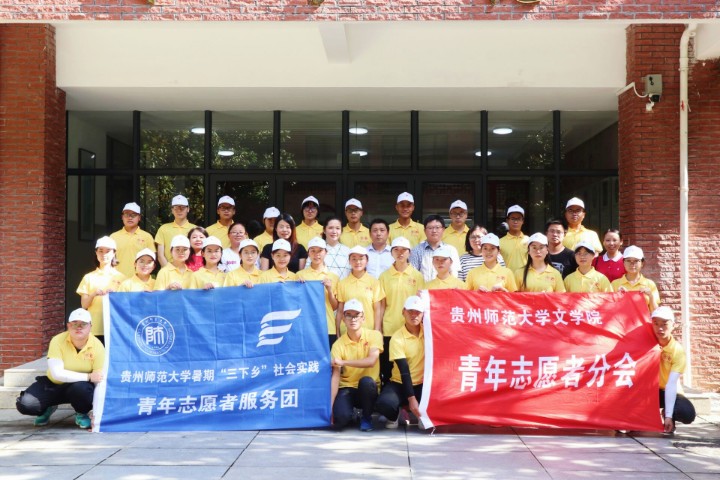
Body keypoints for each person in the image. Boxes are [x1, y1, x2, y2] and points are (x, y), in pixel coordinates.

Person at [16, 308, 104, 430]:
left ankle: (81, 412)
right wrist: (88, 376)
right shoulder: (57, 340)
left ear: (90, 326)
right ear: (68, 326)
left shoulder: (98, 346)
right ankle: (47, 408)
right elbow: (57, 374)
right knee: (26, 404)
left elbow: (98, 379)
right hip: (54, 384)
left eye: (83, 324)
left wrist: (97, 416)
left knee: (82, 389)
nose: (78, 327)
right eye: (74, 324)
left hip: (79, 387)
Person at [330, 299, 383, 432]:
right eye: (348, 315)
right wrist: (330, 406)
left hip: (367, 388)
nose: (353, 319)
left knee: (366, 382)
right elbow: (335, 377)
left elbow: (371, 361)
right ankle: (352, 415)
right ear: (343, 319)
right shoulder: (338, 344)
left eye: (356, 315)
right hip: (347, 387)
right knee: (340, 419)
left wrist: (344, 362)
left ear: (363, 318)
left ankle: (366, 417)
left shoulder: (374, 335)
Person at [379, 237, 424, 384]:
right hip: (390, 327)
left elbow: (421, 304)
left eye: (404, 250)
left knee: (410, 366)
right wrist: (379, 329)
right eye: (396, 250)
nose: (400, 253)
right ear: (391, 252)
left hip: (410, 328)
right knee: (387, 368)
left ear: (409, 252)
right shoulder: (384, 276)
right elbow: (381, 305)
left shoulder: (417, 276)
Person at [375, 296, 425, 429]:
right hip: (400, 382)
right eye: (410, 311)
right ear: (403, 312)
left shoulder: (429, 333)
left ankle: (423, 415)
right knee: (384, 404)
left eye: (418, 312)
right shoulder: (397, 338)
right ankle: (395, 414)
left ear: (423, 314)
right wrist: (411, 399)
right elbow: (404, 370)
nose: (414, 315)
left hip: (423, 384)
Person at [651, 306, 696, 433]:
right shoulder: (646, 343)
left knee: (687, 413)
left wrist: (669, 416)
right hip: (648, 392)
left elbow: (671, 385)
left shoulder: (677, 351)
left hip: (668, 390)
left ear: (673, 326)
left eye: (664, 324)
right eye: (656, 323)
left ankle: (667, 414)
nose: (660, 328)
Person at [76, 236, 126, 342]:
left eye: (108, 251)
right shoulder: (88, 277)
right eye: (101, 251)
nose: (104, 254)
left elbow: (125, 305)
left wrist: (115, 295)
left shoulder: (122, 278)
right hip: (94, 328)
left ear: (114, 253)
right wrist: (94, 294)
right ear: (96, 252)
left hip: (115, 327)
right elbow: (84, 305)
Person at [297, 237, 340, 350]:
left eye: (320, 251)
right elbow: (295, 303)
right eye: (313, 251)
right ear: (308, 253)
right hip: (306, 327)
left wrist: (329, 290)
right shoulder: (300, 275)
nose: (316, 254)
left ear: (326, 252)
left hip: (327, 326)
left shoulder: (333, 277)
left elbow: (335, 306)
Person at [336, 246, 385, 335]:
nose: (357, 262)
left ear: (367, 261)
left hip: (368, 331)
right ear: (349, 261)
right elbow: (340, 310)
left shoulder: (375, 282)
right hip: (347, 332)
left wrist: (377, 330)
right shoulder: (342, 283)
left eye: (361, 259)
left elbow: (377, 309)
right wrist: (338, 332)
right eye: (354, 259)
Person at [110, 202, 156, 278]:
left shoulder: (147, 237)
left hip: (140, 280)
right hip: (117, 279)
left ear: (139, 217)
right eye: (126, 214)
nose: (130, 218)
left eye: (133, 215)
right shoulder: (113, 237)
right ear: (122, 217)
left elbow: (152, 261)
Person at [409, 215, 460, 283]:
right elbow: (413, 275)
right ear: (424, 231)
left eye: (437, 227)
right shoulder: (416, 250)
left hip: (445, 288)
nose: (434, 231)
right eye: (430, 228)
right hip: (423, 289)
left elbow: (454, 275)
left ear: (443, 230)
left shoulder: (451, 250)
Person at [611, 245, 660, 311]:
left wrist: (651, 296)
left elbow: (656, 312)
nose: (632, 264)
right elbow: (609, 310)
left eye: (636, 261)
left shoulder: (650, 284)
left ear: (642, 263)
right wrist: (617, 296)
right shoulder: (615, 284)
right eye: (628, 260)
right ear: (623, 263)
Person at [154, 194, 196, 267]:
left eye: (182, 208)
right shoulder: (163, 229)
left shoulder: (195, 229)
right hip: (168, 269)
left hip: (191, 269)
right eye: (176, 208)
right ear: (172, 210)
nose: (179, 210)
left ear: (188, 209)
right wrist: (169, 271)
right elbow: (160, 255)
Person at [499, 205, 529, 272]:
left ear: (523, 221)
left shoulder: (529, 241)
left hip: (525, 277)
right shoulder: (500, 242)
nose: (515, 222)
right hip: (506, 278)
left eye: (518, 219)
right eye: (513, 218)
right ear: (507, 220)